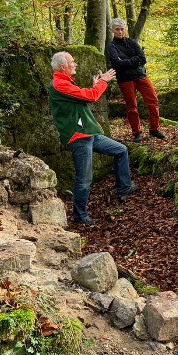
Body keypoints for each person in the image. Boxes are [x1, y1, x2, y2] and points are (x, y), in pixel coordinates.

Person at [49, 52, 138, 226]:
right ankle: (80, 216)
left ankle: (124, 187)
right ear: (62, 67)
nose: (75, 64)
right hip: (79, 136)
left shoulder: (66, 83)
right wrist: (104, 80)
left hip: (89, 133)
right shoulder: (59, 84)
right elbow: (91, 96)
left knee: (121, 150)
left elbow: (86, 95)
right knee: (84, 178)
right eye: (72, 62)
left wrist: (95, 86)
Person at [106, 18, 165, 142]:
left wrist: (126, 62)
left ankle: (154, 129)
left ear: (125, 29)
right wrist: (134, 60)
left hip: (141, 75)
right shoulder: (111, 46)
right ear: (112, 30)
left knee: (153, 101)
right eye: (117, 29)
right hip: (125, 79)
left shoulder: (132, 42)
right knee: (132, 106)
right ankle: (136, 132)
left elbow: (142, 59)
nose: (120, 32)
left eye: (122, 29)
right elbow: (117, 63)